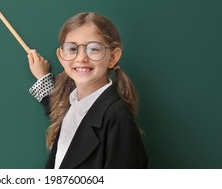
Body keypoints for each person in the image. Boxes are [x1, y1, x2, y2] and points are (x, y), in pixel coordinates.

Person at [27, 12, 147, 169]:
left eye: (94, 49)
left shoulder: (118, 119)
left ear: (113, 57)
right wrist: (43, 78)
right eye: (72, 49)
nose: (81, 57)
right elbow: (61, 111)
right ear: (61, 56)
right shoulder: (71, 106)